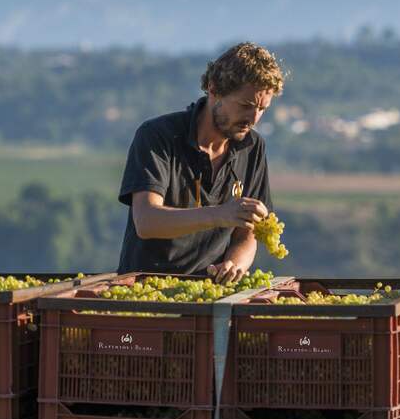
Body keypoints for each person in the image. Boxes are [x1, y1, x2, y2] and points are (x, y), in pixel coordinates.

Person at [117, 42, 285, 284]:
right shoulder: (158, 136)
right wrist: (220, 214)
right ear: (213, 89)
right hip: (146, 293)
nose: (253, 118)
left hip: (209, 296)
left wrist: (234, 264)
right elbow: (146, 221)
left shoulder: (253, 147)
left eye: (262, 109)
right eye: (246, 106)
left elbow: (246, 235)